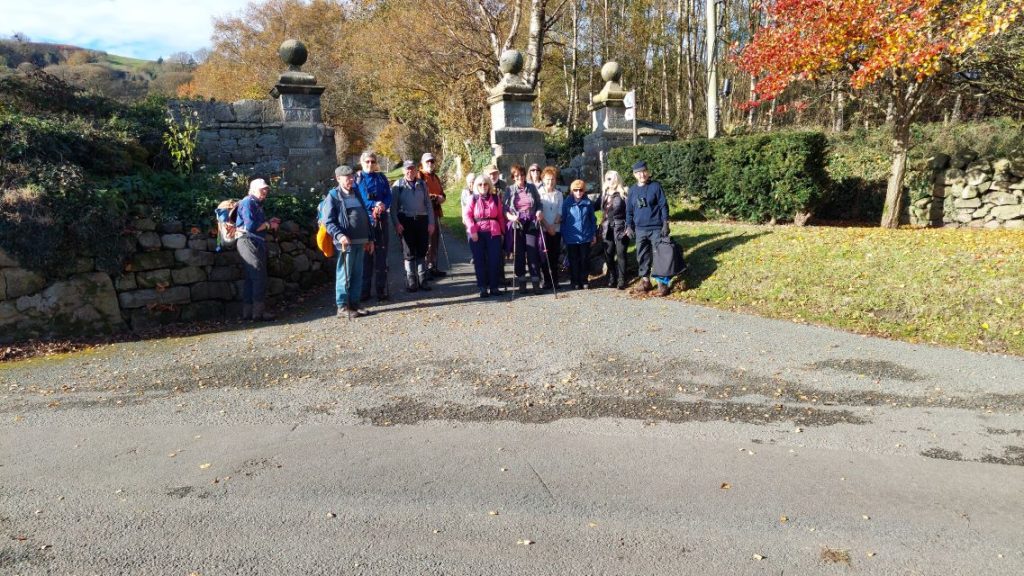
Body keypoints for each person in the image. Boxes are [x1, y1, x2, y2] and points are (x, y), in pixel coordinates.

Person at [323, 165, 376, 319]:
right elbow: (328, 221)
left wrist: (370, 239)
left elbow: (366, 216)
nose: (351, 180)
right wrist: (340, 236)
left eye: (352, 177)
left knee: (358, 274)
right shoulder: (333, 196)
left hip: (361, 241)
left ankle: (354, 304)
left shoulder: (357, 192)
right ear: (338, 179)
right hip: (346, 243)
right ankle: (342, 307)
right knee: (344, 275)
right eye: (347, 178)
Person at [235, 178, 280, 321]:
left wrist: (268, 222)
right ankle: (258, 313)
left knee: (251, 278)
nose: (265, 191)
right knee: (259, 276)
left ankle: (249, 313)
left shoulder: (255, 203)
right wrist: (269, 225)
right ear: (253, 190)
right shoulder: (248, 202)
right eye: (262, 189)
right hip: (248, 242)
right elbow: (251, 227)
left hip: (251, 242)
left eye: (266, 189)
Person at [625, 160, 670, 296]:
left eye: (644, 171)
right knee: (642, 256)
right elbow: (629, 211)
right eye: (638, 173)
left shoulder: (655, 186)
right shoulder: (632, 190)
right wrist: (629, 226)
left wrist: (665, 223)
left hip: (656, 228)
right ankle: (645, 281)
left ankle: (662, 284)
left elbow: (663, 205)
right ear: (634, 175)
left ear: (648, 172)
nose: (642, 175)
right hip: (640, 229)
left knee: (659, 256)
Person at [391, 160, 435, 292]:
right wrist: (396, 224)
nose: (410, 171)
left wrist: (431, 222)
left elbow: (428, 205)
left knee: (422, 250)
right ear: (403, 171)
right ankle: (411, 280)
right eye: (407, 169)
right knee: (409, 252)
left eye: (412, 169)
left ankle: (422, 279)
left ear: (416, 170)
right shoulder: (397, 185)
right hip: (405, 221)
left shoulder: (422, 184)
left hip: (422, 220)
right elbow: (393, 208)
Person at [355, 151, 392, 301]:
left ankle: (381, 290)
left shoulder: (381, 178)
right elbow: (360, 199)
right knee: (366, 257)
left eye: (372, 161)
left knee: (382, 256)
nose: (370, 164)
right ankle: (365, 291)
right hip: (366, 222)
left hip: (382, 220)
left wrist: (383, 205)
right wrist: (374, 204)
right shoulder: (357, 179)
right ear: (362, 163)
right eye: (367, 162)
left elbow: (388, 195)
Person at [503, 163, 544, 294]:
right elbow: (505, 210)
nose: (520, 177)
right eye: (517, 175)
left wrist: (538, 212)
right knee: (519, 254)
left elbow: (539, 204)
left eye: (521, 174)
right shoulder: (509, 190)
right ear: (513, 177)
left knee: (533, 253)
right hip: (517, 224)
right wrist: (511, 217)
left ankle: (535, 282)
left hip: (531, 223)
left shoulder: (531, 188)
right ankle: (521, 282)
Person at [464, 175, 507, 298]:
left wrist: (503, 233)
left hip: (494, 232)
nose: (483, 186)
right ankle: (483, 287)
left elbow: (500, 217)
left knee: (494, 261)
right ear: (476, 186)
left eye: (485, 184)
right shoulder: (472, 198)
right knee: (480, 261)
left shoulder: (495, 198)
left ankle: (494, 287)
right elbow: (467, 215)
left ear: (489, 185)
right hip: (477, 232)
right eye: (480, 184)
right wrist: (472, 231)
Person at [560, 179, 597, 290]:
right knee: (573, 260)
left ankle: (584, 280)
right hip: (571, 237)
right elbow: (563, 220)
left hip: (585, 236)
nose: (578, 192)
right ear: (572, 191)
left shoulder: (588, 203)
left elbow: (593, 219)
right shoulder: (567, 203)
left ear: (584, 191)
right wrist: (564, 235)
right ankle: (575, 281)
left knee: (584, 259)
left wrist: (593, 234)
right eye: (575, 190)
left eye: (580, 190)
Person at [600, 170, 630, 290]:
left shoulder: (624, 193)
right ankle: (612, 276)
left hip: (620, 226)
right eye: (607, 178)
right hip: (607, 227)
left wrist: (629, 227)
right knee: (608, 254)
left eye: (612, 178)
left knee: (621, 253)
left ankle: (622, 279)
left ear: (617, 179)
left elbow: (630, 211)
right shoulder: (604, 194)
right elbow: (595, 206)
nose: (610, 181)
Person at [420, 152, 447, 279]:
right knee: (427, 242)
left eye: (432, 162)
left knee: (435, 242)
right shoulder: (420, 176)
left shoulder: (435, 177)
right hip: (424, 215)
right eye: (427, 162)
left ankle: (433, 266)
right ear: (422, 163)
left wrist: (442, 198)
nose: (430, 164)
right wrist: (437, 198)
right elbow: (422, 195)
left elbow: (442, 193)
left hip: (435, 212)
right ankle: (425, 269)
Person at [537, 166, 562, 290]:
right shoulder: (539, 193)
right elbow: (538, 211)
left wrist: (554, 226)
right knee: (544, 256)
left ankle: (555, 280)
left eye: (552, 179)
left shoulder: (559, 194)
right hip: (544, 229)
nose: (550, 182)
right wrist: (547, 226)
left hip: (556, 229)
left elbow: (560, 211)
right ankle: (545, 280)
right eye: (547, 179)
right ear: (543, 179)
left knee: (554, 256)